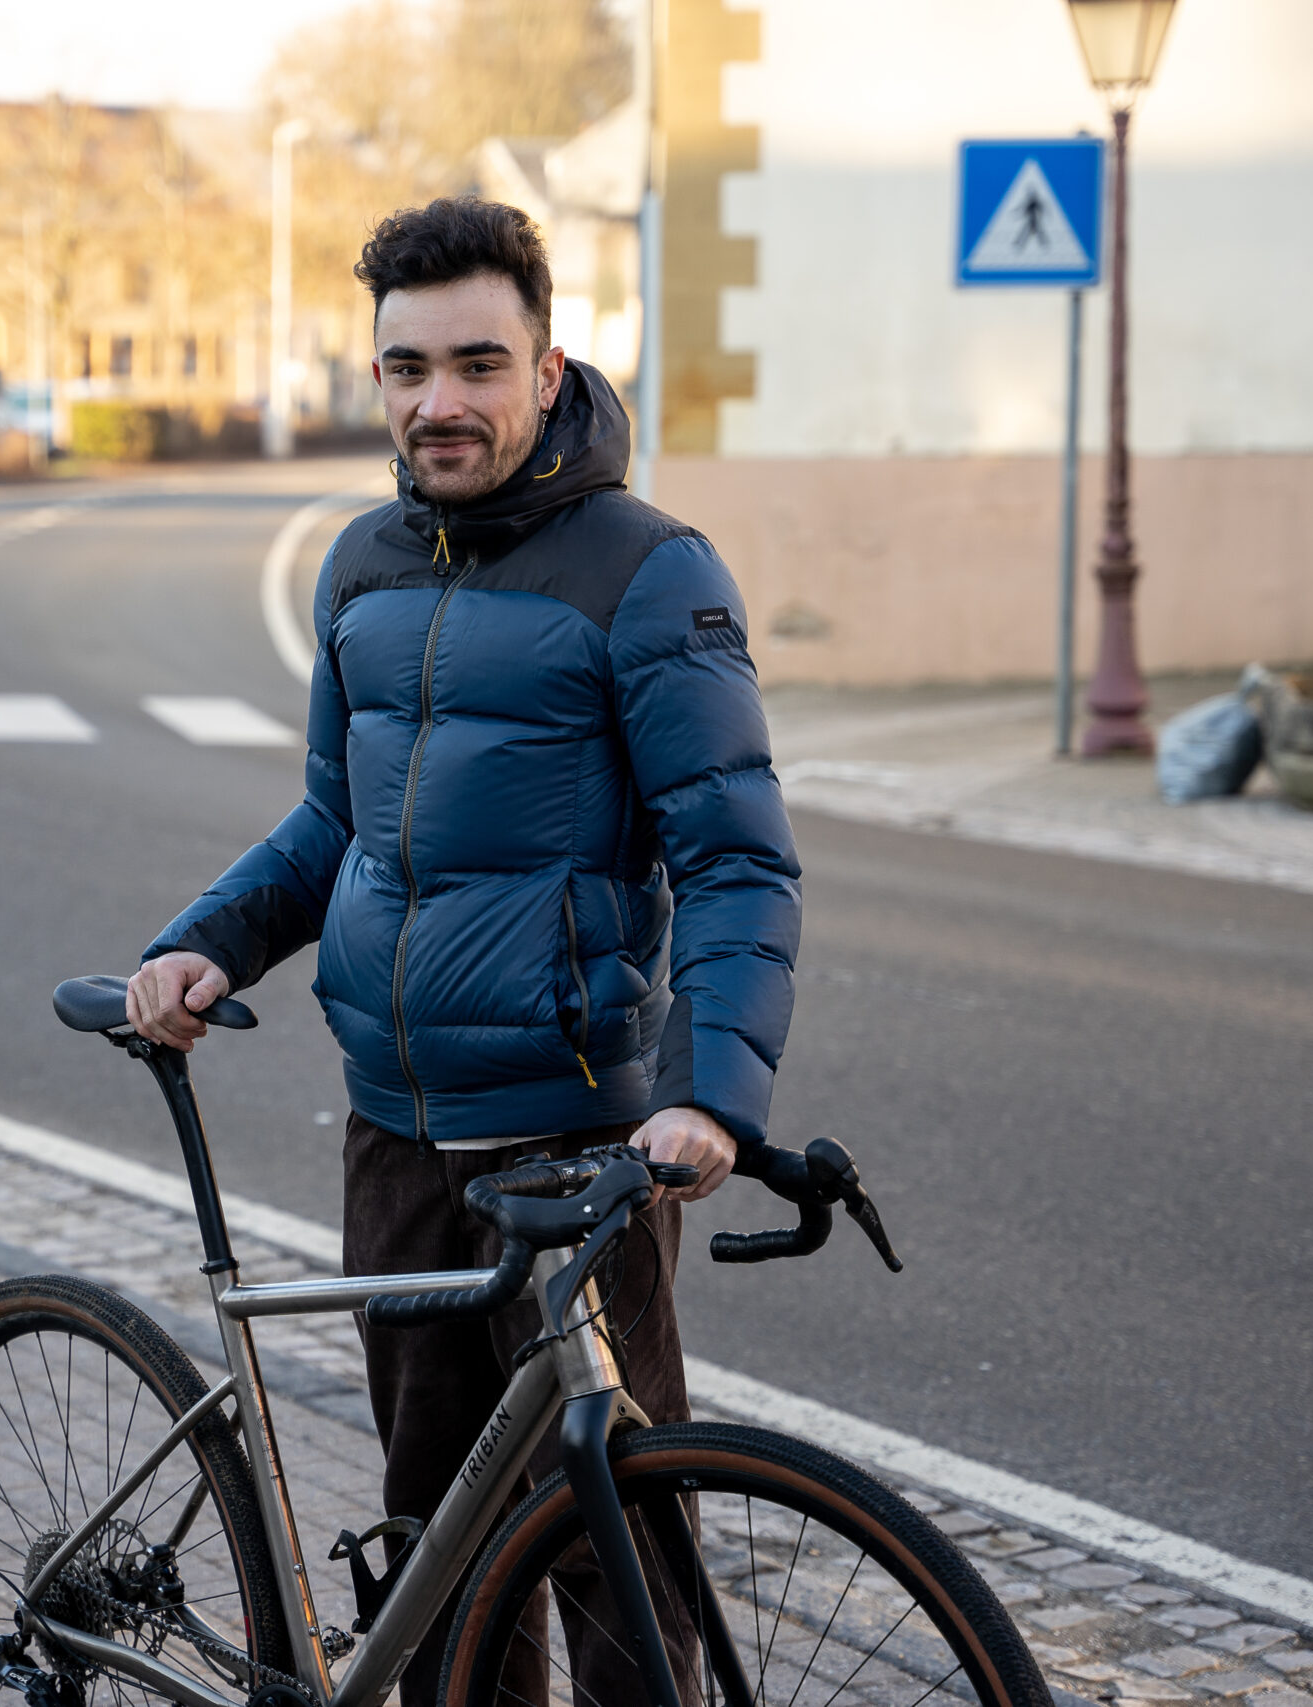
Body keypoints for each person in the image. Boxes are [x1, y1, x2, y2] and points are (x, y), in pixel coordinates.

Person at [126, 196, 801, 1705]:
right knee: (440, 1556)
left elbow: (737, 860)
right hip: (398, 1139)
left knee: (618, 1557)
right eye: (406, 368)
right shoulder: (363, 567)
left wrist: (708, 1097)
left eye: (478, 364)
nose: (439, 402)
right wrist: (206, 948)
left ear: (547, 371)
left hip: (577, 1151)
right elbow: (328, 828)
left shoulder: (650, 572)